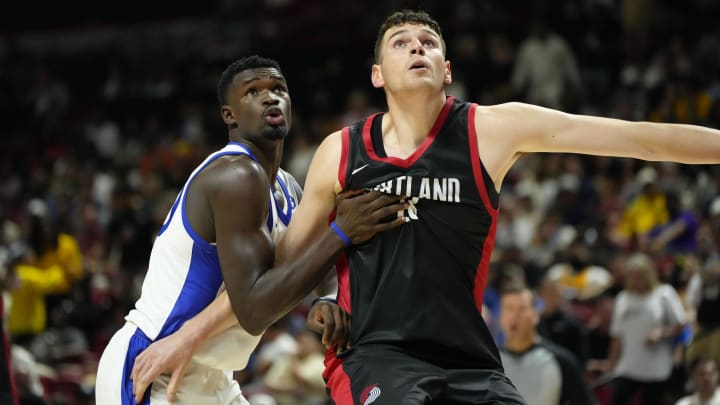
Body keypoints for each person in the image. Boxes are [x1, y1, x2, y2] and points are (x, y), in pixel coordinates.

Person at [136, 9, 720, 404]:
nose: (416, 48)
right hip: (374, 357)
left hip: (469, 359)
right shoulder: (341, 153)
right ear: (377, 73)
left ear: (446, 68)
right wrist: (193, 334)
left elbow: (640, 138)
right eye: (400, 43)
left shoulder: (491, 130)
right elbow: (276, 275)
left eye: (428, 43)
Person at [95, 55, 406, 405]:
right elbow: (253, 308)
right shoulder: (235, 176)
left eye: (278, 89)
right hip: (155, 364)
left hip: (211, 373)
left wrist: (328, 298)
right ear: (229, 115)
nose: (270, 97)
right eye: (252, 92)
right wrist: (342, 232)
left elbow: (319, 265)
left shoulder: (287, 187)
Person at [606, 253, 689, 405]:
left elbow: (682, 323)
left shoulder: (664, 294)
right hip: (628, 366)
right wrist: (612, 363)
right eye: (632, 276)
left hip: (656, 368)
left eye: (640, 275)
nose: (636, 280)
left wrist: (662, 333)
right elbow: (617, 336)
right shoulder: (623, 298)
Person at [499, 285, 596, 405]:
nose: (514, 316)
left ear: (535, 315)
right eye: (509, 309)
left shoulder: (561, 361)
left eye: (522, 309)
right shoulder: (489, 362)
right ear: (500, 316)